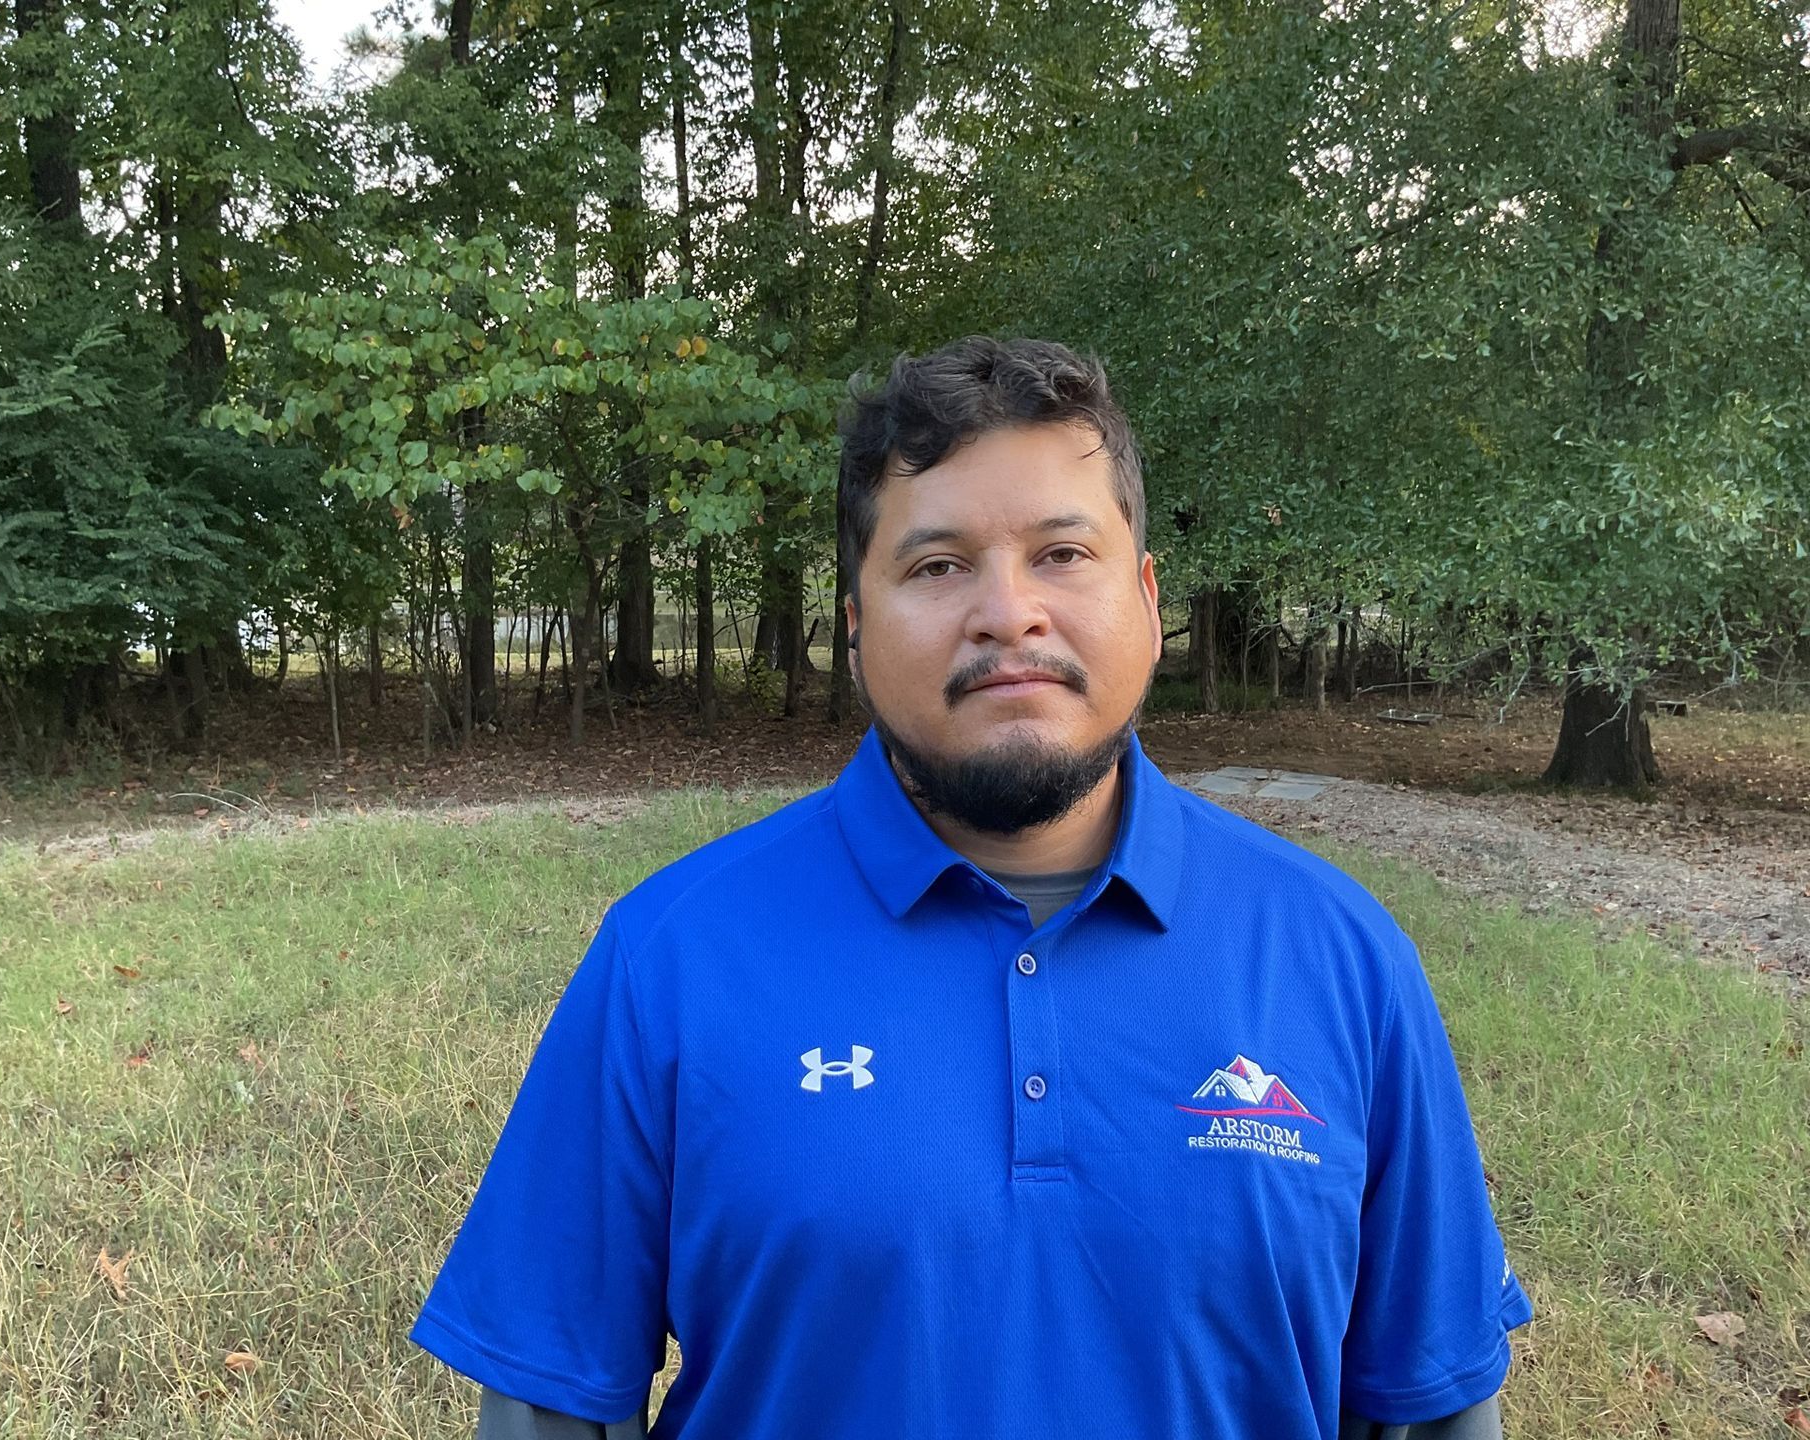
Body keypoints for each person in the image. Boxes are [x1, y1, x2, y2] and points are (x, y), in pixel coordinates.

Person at [409, 337, 1532, 1439]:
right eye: (938, 566)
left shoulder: (1341, 957)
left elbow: (1431, 1404)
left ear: (1146, 599)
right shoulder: (672, 956)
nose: (1008, 613)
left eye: (1063, 554)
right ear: (854, 619)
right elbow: (549, 1403)